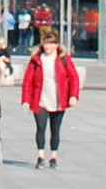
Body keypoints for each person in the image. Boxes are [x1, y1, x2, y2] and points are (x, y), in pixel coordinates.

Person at [20, 27, 81, 170]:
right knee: (40, 127)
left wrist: (73, 96)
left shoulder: (64, 59)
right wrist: (26, 100)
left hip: (58, 99)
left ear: (57, 45)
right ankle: (40, 155)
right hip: (40, 99)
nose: (48, 46)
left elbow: (74, 78)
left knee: (55, 129)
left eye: (51, 43)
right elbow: (27, 81)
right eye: (46, 43)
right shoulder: (36, 60)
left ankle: (54, 156)